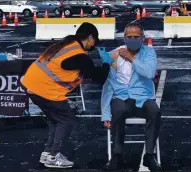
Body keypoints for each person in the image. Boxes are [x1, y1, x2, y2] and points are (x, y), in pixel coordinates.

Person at [21, 22, 112, 168]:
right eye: (94, 40)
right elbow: (99, 78)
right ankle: (53, 155)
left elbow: (78, 71)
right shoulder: (80, 56)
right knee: (67, 121)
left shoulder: (66, 46)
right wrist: (106, 63)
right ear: (90, 37)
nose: (94, 44)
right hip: (45, 89)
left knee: (55, 120)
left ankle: (48, 153)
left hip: (31, 85)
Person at [98, 22, 162, 171]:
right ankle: (116, 155)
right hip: (121, 98)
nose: (132, 39)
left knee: (155, 111)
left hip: (143, 98)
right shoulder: (114, 55)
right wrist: (105, 114)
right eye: (129, 36)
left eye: (136, 36)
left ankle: (149, 155)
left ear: (143, 38)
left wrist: (131, 59)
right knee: (118, 111)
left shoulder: (149, 53)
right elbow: (107, 86)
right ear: (125, 37)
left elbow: (149, 73)